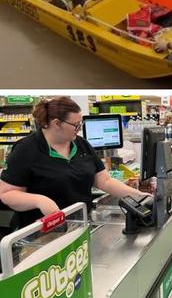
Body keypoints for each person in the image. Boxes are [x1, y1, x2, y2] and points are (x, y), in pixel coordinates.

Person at [0, 97, 148, 229]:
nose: (79, 129)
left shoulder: (81, 144)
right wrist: (39, 200)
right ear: (56, 123)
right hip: (41, 234)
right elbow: (7, 194)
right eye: (76, 125)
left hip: (79, 226)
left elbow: (105, 181)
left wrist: (139, 196)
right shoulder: (26, 149)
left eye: (80, 124)